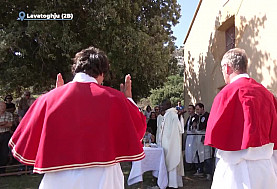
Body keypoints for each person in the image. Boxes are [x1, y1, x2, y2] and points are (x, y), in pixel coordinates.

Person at [9, 47, 146, 188]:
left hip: (58, 180)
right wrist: (128, 100)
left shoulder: (47, 99)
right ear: (102, 73)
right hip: (103, 178)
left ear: (75, 70)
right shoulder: (115, 99)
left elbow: (24, 139)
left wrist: (55, 100)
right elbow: (138, 129)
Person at [205, 48, 277, 189]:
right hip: (263, 171)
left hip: (233, 173)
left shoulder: (224, 95)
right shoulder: (267, 95)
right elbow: (276, 137)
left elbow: (216, 135)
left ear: (227, 68)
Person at [160, 99, 184, 188]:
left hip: (171, 143)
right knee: (167, 162)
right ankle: (168, 182)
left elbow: (177, 129)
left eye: (163, 105)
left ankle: (173, 184)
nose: (162, 106)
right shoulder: (167, 114)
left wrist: (171, 142)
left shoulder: (172, 114)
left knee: (172, 161)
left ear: (168, 105)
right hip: (166, 143)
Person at [195, 102, 213, 180]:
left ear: (202, 108)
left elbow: (209, 127)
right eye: (196, 109)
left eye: (198, 109)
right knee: (200, 154)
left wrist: (206, 137)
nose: (197, 111)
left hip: (205, 136)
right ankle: (201, 170)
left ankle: (209, 173)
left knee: (207, 155)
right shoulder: (197, 117)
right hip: (198, 137)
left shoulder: (207, 116)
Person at [184, 105, 199, 171]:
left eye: (190, 109)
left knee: (193, 151)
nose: (189, 110)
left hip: (194, 136)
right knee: (188, 151)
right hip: (189, 136)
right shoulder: (189, 118)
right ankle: (189, 165)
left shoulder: (196, 117)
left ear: (193, 110)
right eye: (188, 109)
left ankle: (195, 167)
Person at [0, 101, 13, 174]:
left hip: (5, 134)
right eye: (1, 106)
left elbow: (10, 125)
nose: (3, 108)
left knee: (4, 152)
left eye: (4, 106)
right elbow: (7, 124)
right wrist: (4, 123)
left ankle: (3, 170)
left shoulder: (9, 114)